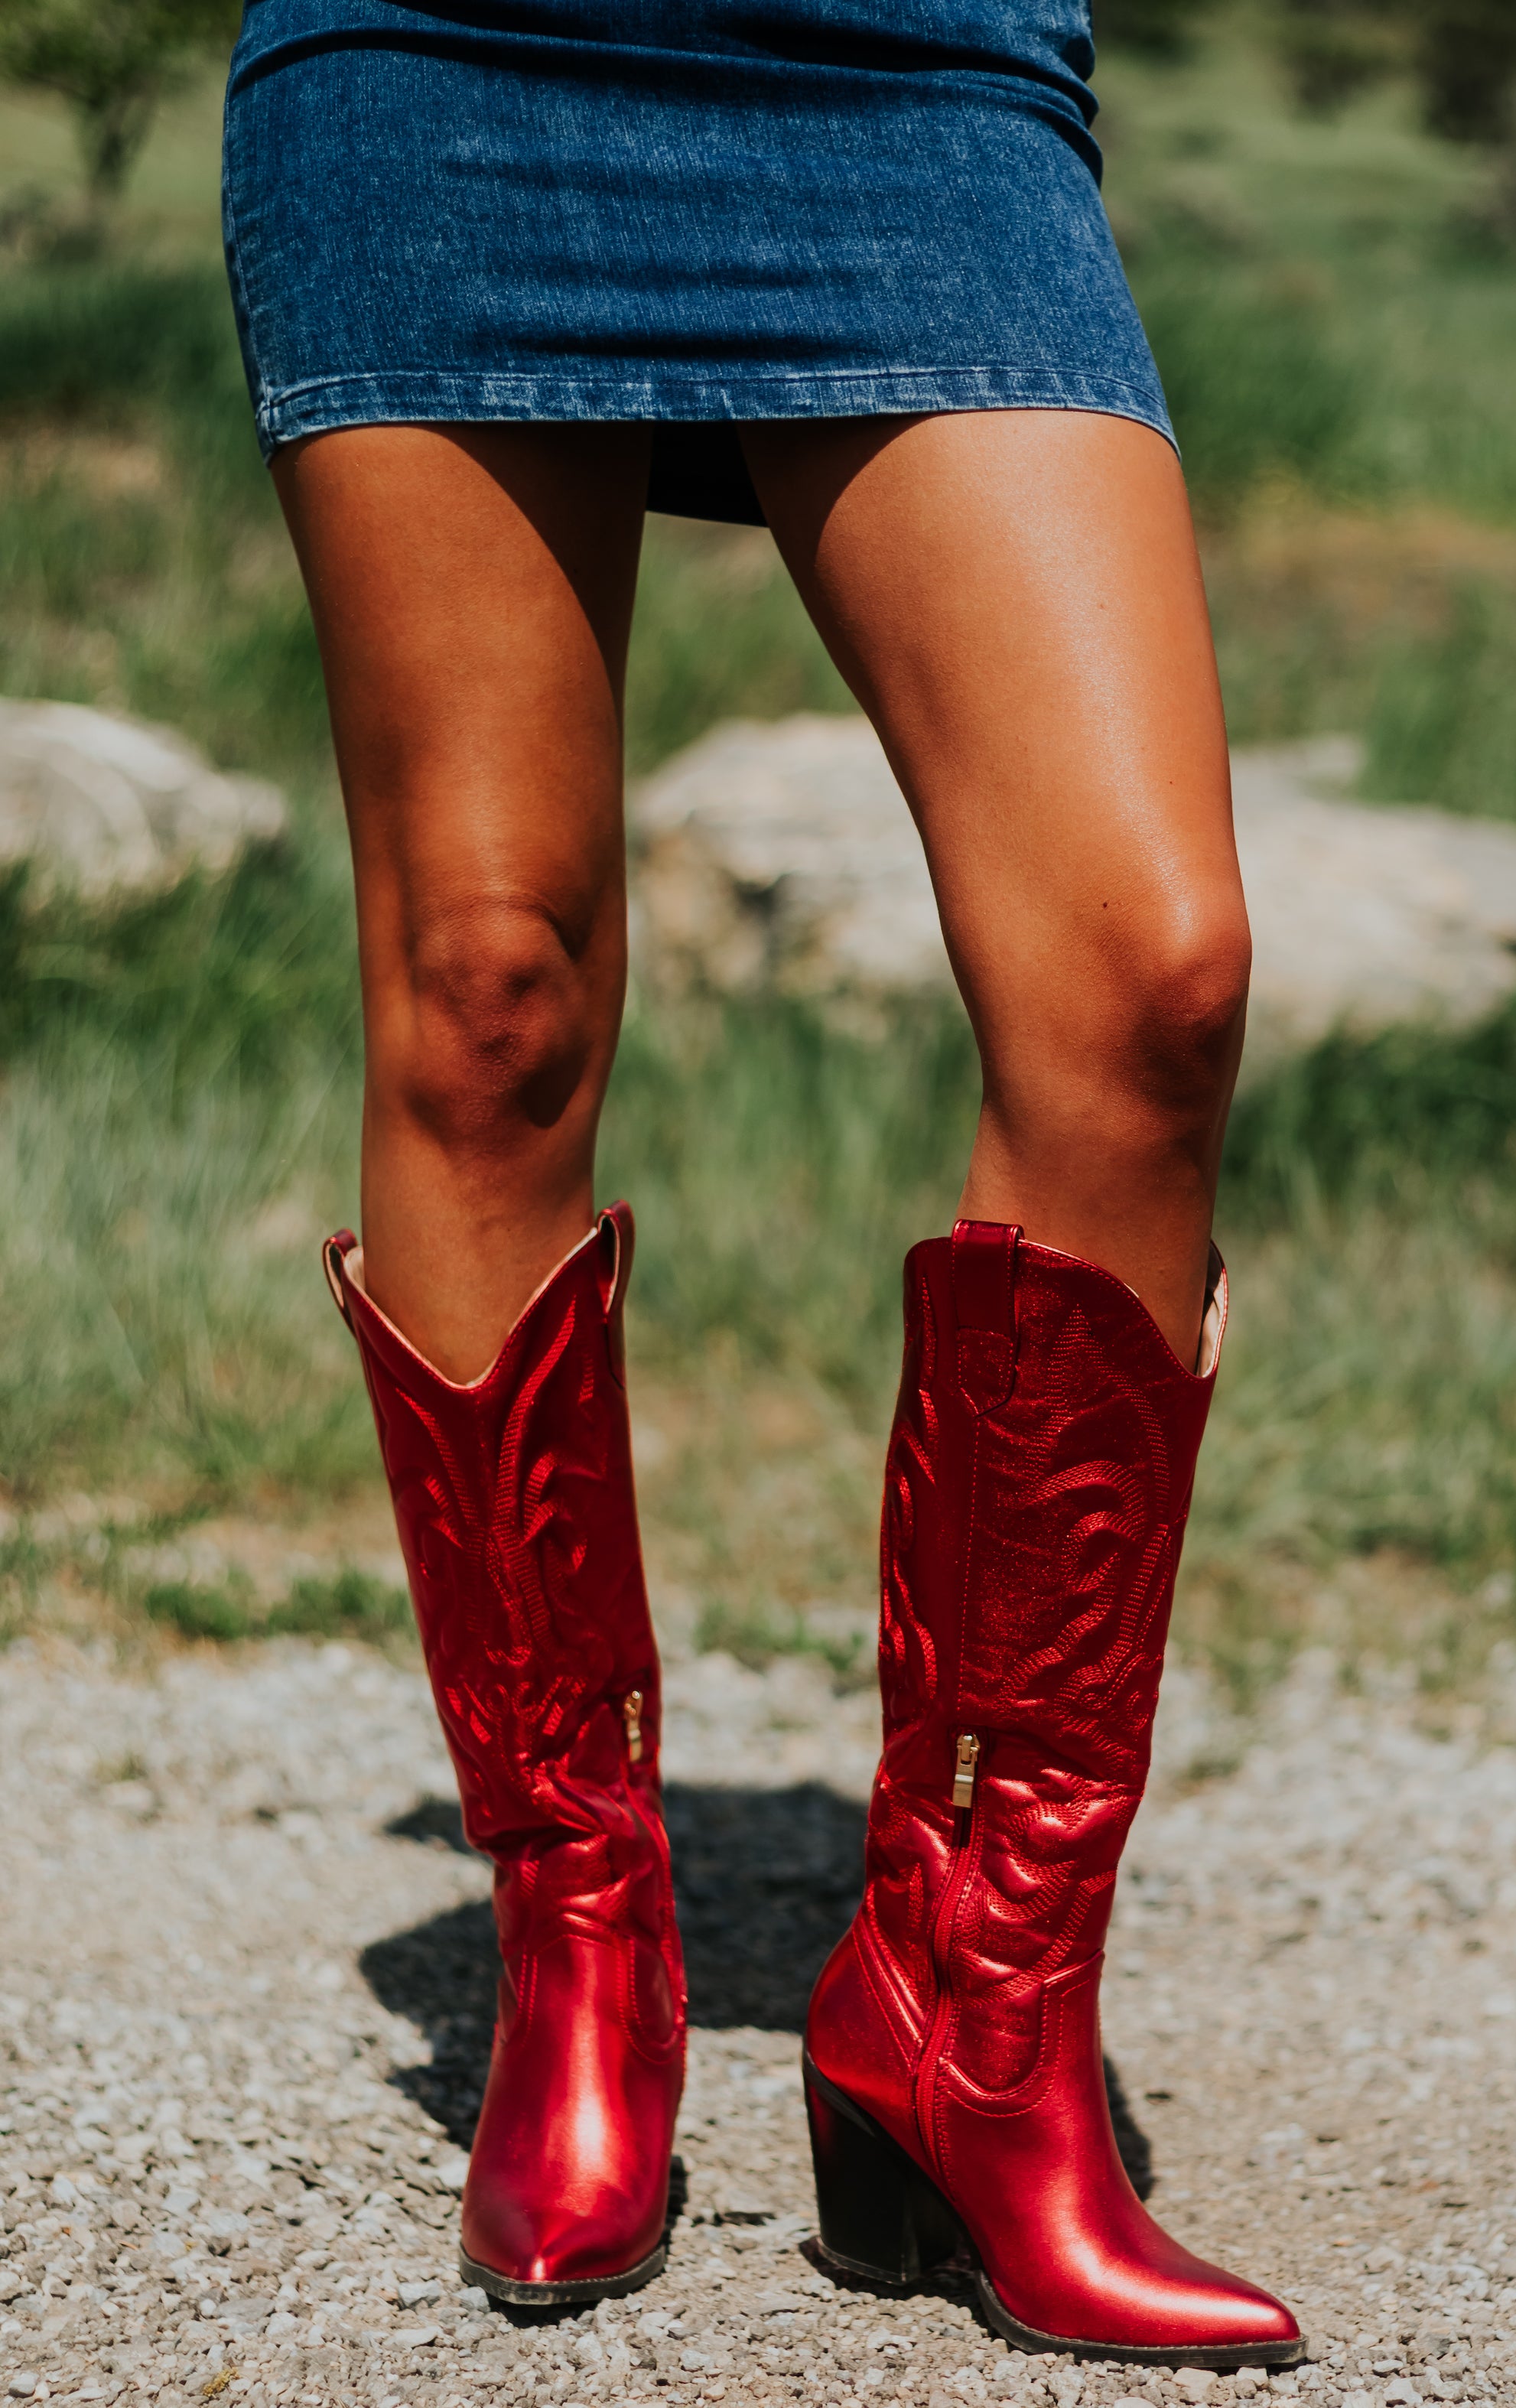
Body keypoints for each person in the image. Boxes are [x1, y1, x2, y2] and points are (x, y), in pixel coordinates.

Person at [223, 0, 1300, 2370]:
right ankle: (578, 1940)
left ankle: (968, 2010)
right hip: (439, 54)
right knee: (488, 986)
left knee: (1146, 978)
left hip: (908, 64)